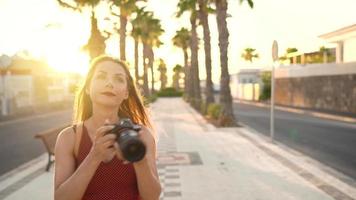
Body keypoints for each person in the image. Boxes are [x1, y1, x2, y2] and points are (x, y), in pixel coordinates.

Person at [54, 55, 161, 200]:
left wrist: (139, 160)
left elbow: (152, 197)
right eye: (101, 76)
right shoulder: (69, 138)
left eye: (119, 79)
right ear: (87, 88)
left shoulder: (142, 135)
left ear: (126, 93)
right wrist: (94, 156)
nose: (110, 83)